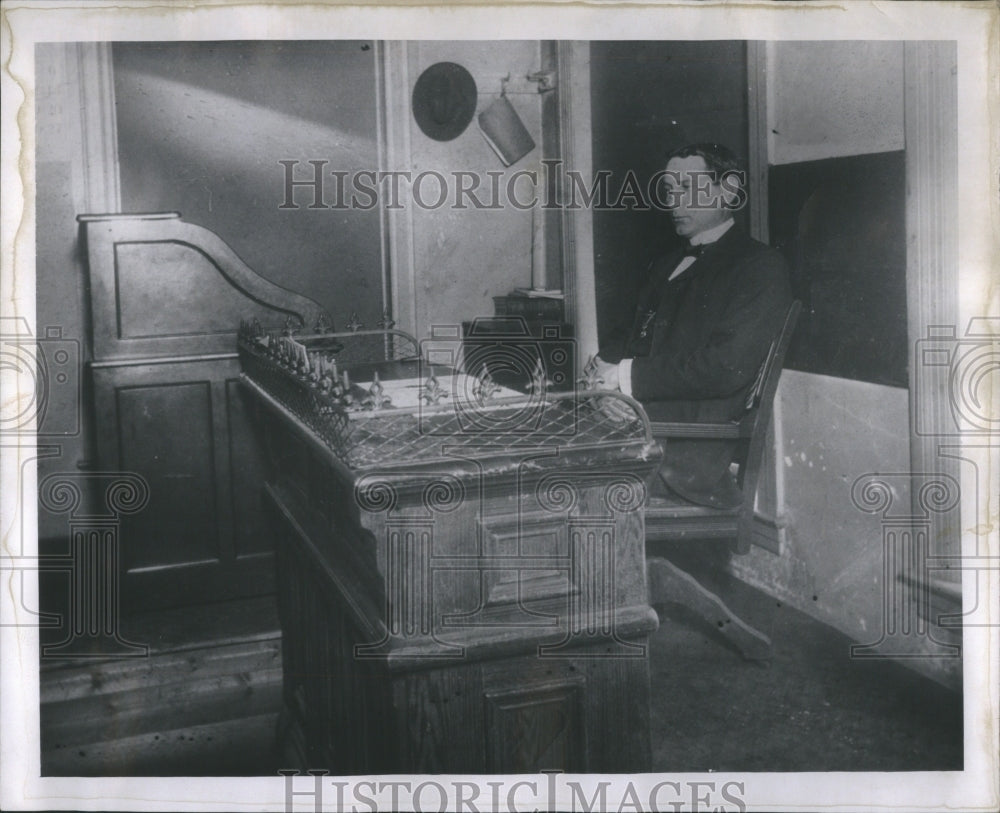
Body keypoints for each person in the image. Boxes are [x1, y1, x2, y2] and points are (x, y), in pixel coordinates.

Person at [594, 143, 792, 509]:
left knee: (551, 473)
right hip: (639, 422)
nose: (674, 201)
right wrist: (601, 381)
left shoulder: (760, 268)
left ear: (728, 189)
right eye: (670, 190)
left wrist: (624, 380)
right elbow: (629, 337)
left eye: (687, 188)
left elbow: (724, 367)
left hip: (686, 447)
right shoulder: (665, 264)